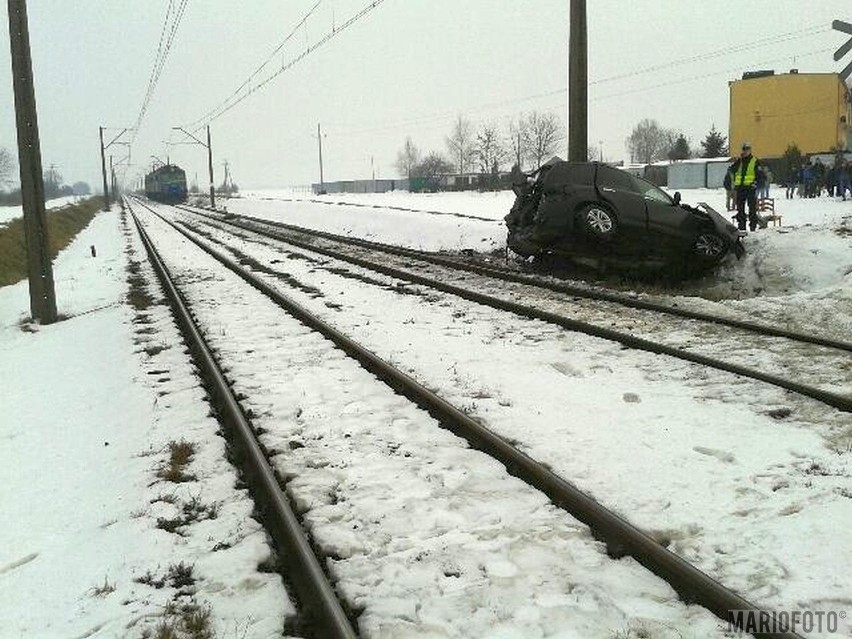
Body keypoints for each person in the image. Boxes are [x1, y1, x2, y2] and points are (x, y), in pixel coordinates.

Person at [726, 142, 765, 232]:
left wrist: (757, 184)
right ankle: (742, 227)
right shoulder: (740, 161)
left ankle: (753, 227)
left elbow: (761, 175)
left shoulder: (755, 161)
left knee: (752, 209)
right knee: (740, 209)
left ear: (750, 150)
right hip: (740, 189)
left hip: (750, 189)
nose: (745, 151)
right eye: (744, 149)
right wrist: (736, 161)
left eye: (747, 149)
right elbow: (731, 170)